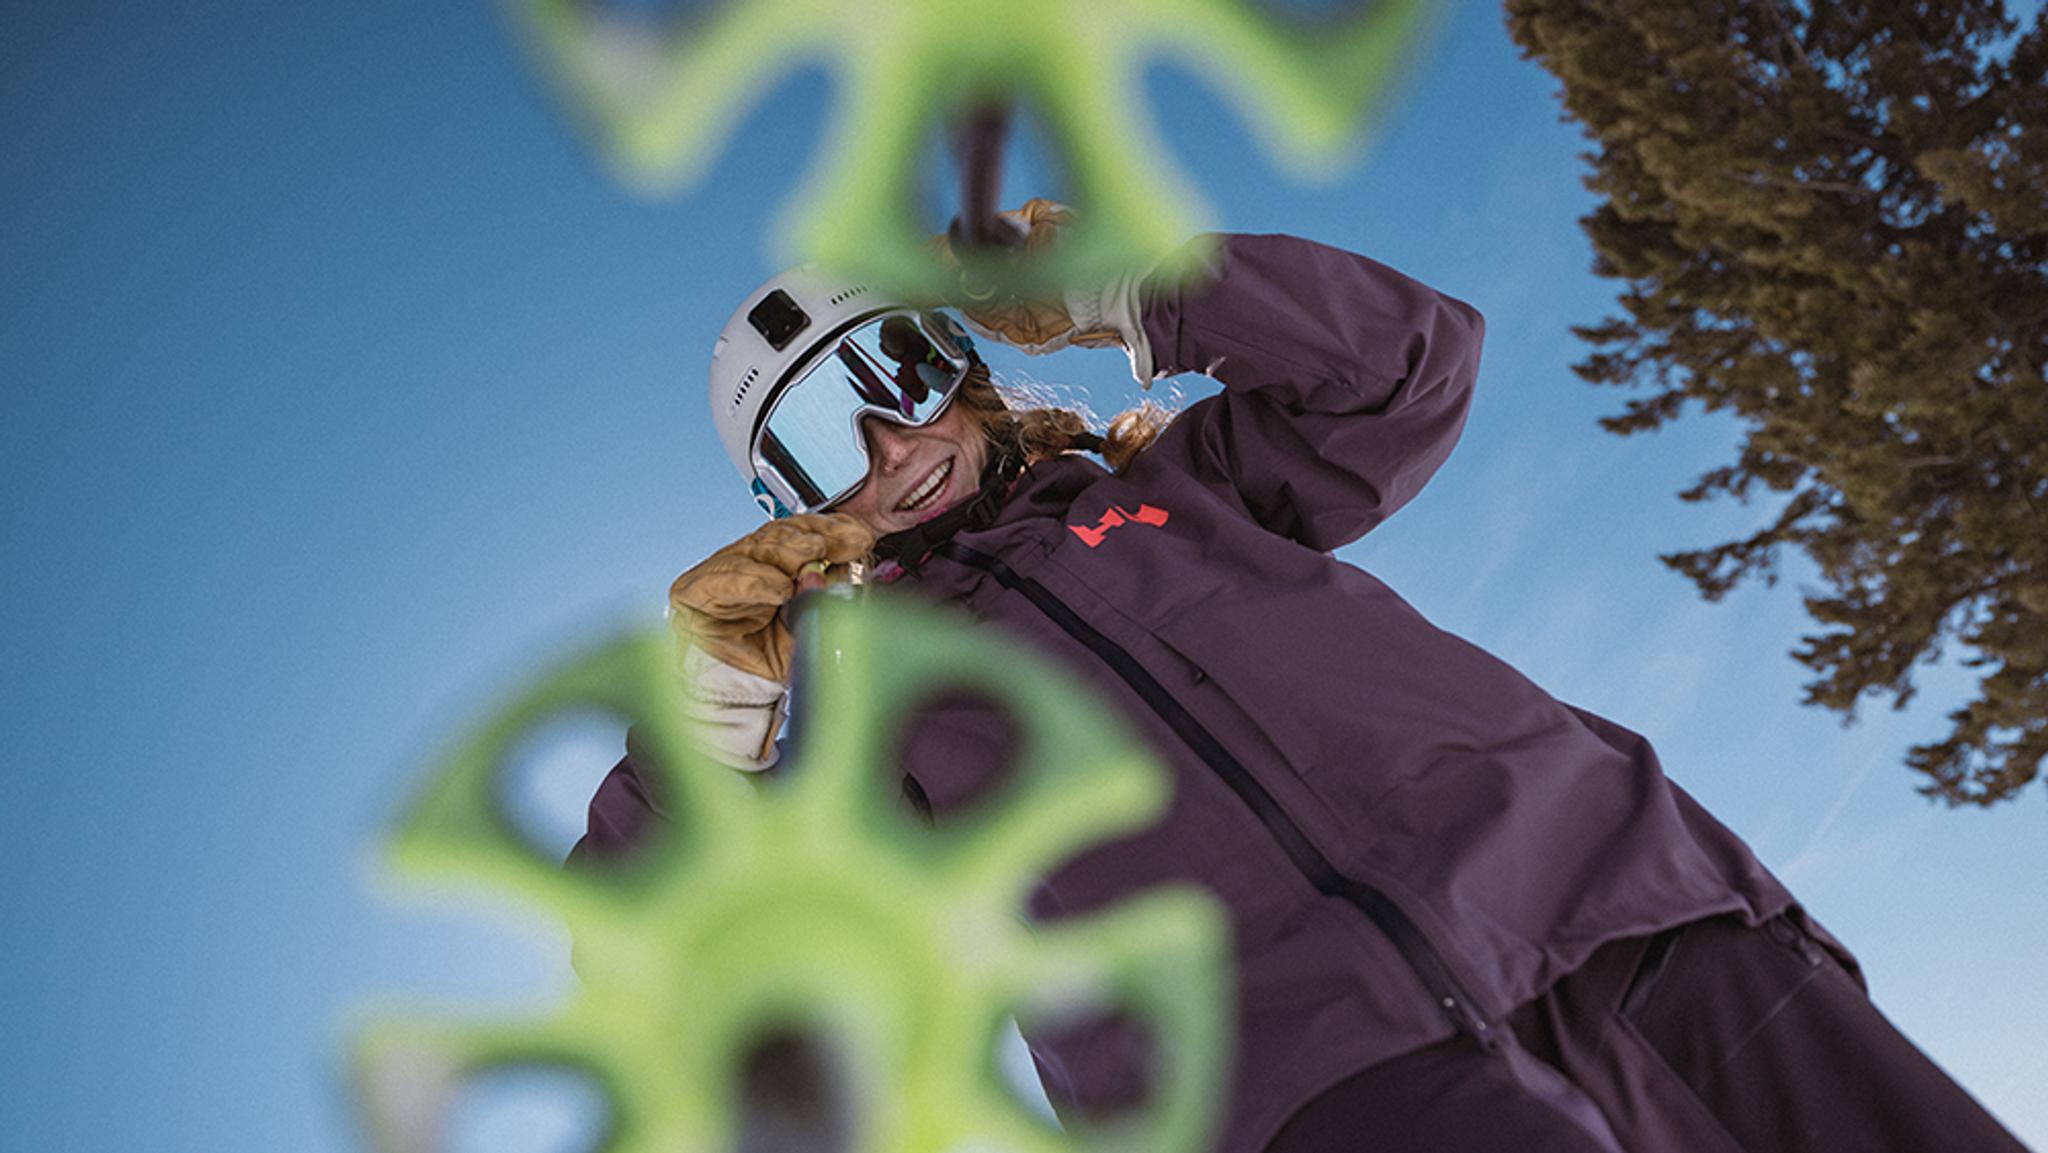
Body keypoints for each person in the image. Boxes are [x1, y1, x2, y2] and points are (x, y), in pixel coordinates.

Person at [571, 201, 2031, 1153]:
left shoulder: (1181, 488)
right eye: (829, 437)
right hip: (1306, 1090)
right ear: (787, 500)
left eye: (892, 373)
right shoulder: (854, 690)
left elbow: (1406, 365)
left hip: (1606, 895)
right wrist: (714, 707)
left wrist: (1129, 290)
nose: (893, 448)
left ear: (954, 364)